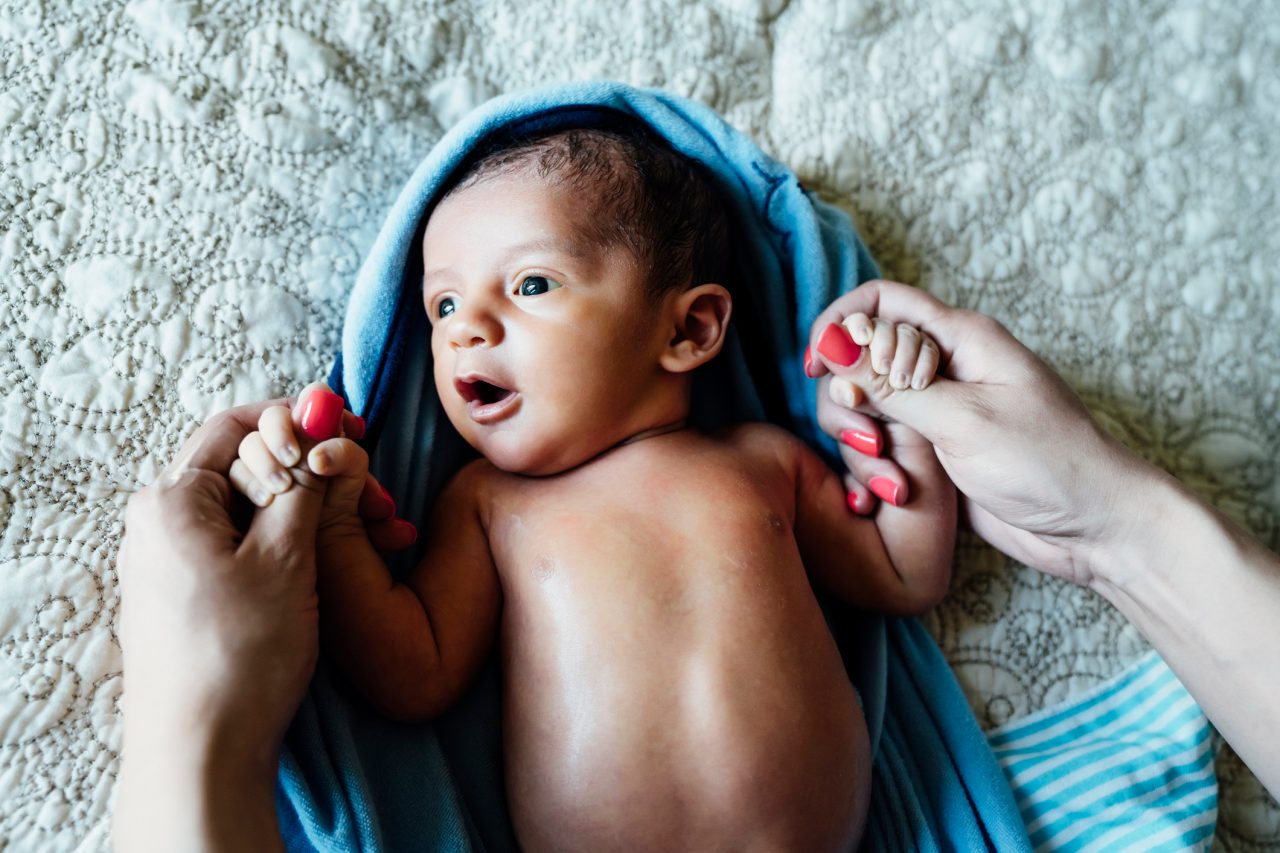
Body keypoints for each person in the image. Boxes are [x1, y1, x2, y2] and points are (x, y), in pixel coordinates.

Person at [222, 126, 953, 851]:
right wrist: (335, 517)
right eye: (442, 305)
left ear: (690, 328)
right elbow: (414, 672)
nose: (464, 330)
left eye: (530, 284)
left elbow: (903, 572)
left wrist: (905, 408)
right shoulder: (489, 505)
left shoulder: (762, 463)